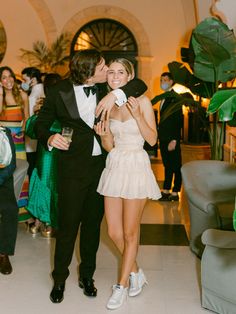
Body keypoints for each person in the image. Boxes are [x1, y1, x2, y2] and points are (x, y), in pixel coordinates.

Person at [34, 49, 147, 304]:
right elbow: (41, 123)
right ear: (88, 70)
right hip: (72, 170)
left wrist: (116, 94)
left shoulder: (106, 88)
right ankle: (59, 279)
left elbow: (139, 84)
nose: (107, 69)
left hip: (102, 169)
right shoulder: (58, 91)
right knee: (67, 227)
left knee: (93, 226)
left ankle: (87, 276)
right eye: (102, 65)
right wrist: (50, 137)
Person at [95, 58, 161, 310]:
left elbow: (153, 140)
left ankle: (121, 286)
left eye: (120, 72)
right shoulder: (108, 107)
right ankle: (136, 272)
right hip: (114, 164)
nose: (114, 76)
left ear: (129, 76)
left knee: (130, 232)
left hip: (135, 165)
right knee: (113, 231)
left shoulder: (142, 101)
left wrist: (137, 116)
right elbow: (109, 146)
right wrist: (104, 136)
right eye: (110, 72)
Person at [26, 73, 62, 237]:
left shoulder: (47, 105)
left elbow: (32, 130)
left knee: (47, 181)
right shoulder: (52, 105)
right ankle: (45, 220)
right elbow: (31, 131)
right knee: (47, 182)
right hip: (49, 151)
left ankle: (43, 220)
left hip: (54, 151)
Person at [0, 66, 32, 222]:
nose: (8, 80)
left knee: (20, 174)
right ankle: (3, 213)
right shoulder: (0, 96)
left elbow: (27, 118)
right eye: (3, 78)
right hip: (3, 144)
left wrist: (23, 131)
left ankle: (20, 213)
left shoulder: (23, 96)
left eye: (10, 76)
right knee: (5, 176)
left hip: (18, 142)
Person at [155, 72, 183, 201]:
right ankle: (166, 190)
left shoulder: (175, 98)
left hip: (172, 138)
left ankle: (175, 191)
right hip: (164, 136)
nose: (163, 82)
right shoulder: (164, 97)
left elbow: (178, 120)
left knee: (176, 165)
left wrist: (175, 140)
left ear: (171, 81)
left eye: (165, 80)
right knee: (167, 164)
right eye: (161, 80)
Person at [0, 126, 18, 275]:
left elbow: (11, 165)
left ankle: (3, 253)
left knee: (11, 210)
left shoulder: (5, 132)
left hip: (2, 179)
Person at [21, 67, 45, 178]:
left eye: (25, 80)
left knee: (30, 165)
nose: (24, 83)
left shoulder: (34, 96)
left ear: (33, 79)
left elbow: (29, 117)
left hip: (31, 135)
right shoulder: (40, 91)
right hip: (36, 136)